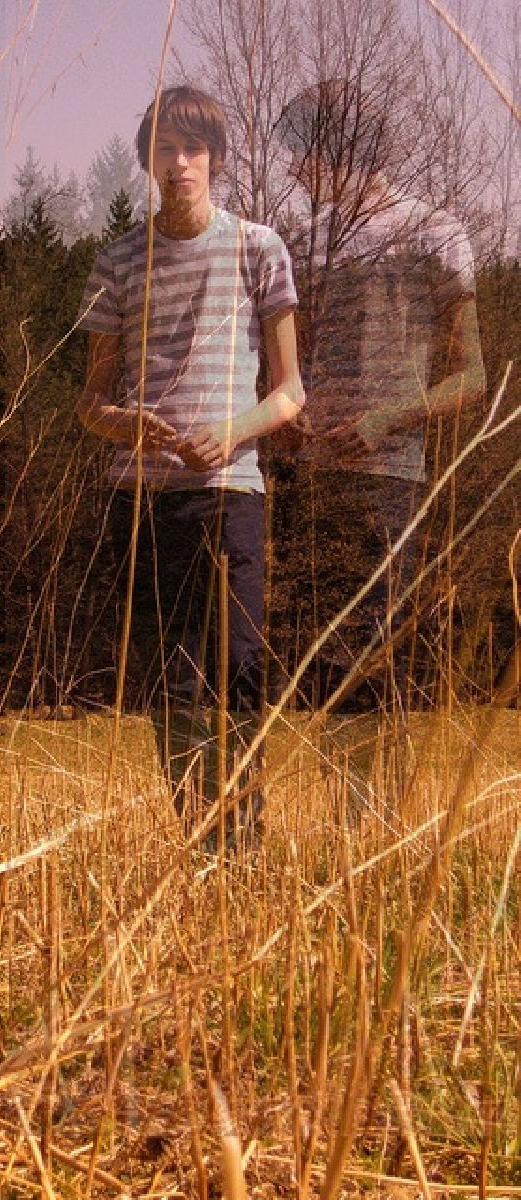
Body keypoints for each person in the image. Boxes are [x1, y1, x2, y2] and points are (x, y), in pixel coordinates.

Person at [76, 86, 304, 851]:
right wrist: (130, 427)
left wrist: (230, 432)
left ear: (216, 158)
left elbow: (290, 393)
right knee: (172, 686)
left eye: (193, 148)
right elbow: (90, 403)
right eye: (166, 149)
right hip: (142, 501)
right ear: (149, 161)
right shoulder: (116, 261)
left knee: (241, 672)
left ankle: (243, 847)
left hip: (230, 495)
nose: (180, 163)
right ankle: (204, 846)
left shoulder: (259, 249)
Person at [272, 79, 485, 815]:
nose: (295, 169)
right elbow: (288, 366)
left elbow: (472, 376)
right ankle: (341, 831)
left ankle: (376, 828)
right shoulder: (304, 242)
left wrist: (384, 420)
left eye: (303, 152)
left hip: (388, 477)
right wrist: (287, 417)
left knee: (375, 654)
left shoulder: (435, 232)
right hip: (309, 479)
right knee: (320, 663)